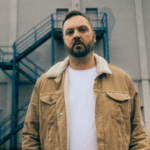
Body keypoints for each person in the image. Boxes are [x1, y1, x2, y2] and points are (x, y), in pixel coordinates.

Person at [22, 10, 150, 150]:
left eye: (82, 29)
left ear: (94, 36)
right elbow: (30, 136)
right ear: (64, 40)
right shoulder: (45, 83)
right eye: (69, 32)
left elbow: (138, 135)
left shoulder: (122, 80)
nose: (76, 35)